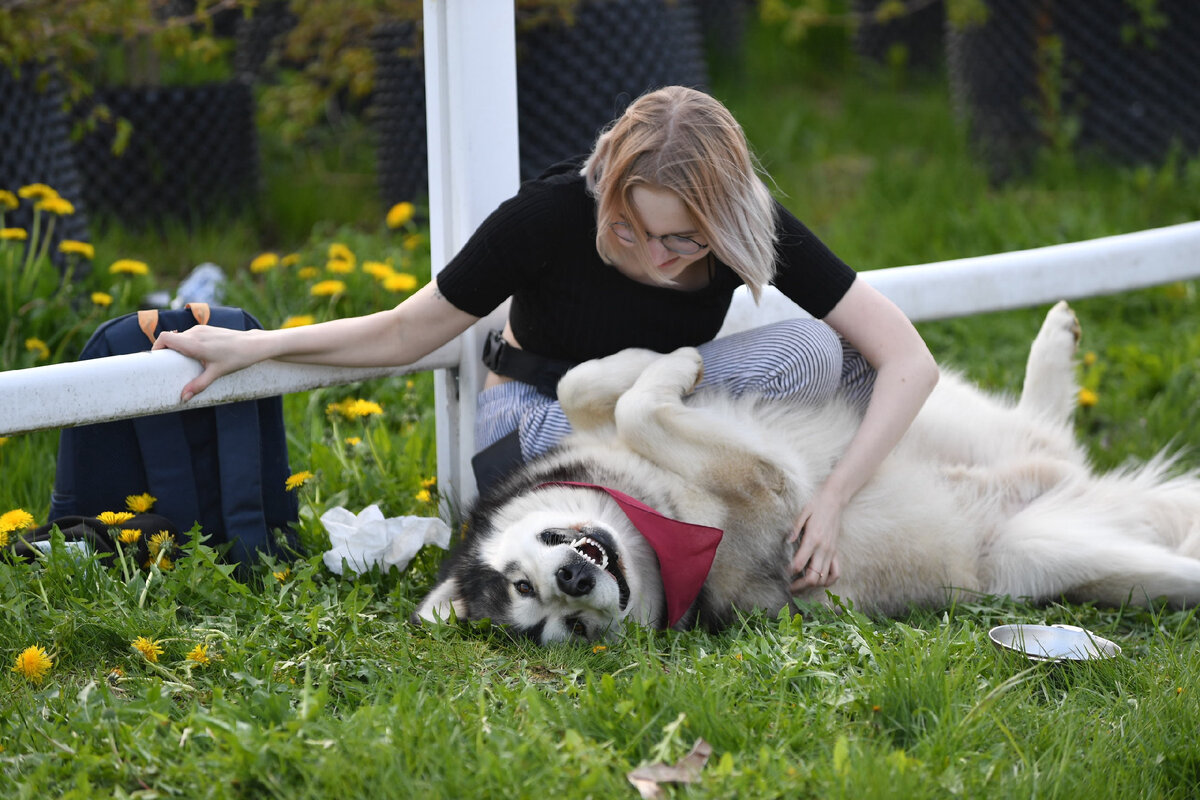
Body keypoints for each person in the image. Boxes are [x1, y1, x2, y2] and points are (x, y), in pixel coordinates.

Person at [152, 86, 939, 594]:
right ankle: (723, 513)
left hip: (655, 405)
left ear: (723, 223)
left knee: (812, 354)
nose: (655, 259)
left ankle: (790, 517)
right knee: (608, 454)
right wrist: (254, 348)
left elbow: (906, 360)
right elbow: (403, 332)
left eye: (683, 243)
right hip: (538, 414)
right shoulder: (552, 213)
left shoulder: (747, 226)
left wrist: (834, 502)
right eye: (630, 228)